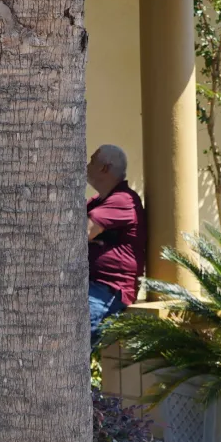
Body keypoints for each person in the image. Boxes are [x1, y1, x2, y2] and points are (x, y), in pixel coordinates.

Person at [86, 144, 147, 346]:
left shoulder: (123, 200)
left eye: (92, 161)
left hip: (106, 291)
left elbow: (79, 233)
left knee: (66, 350)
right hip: (88, 287)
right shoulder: (98, 201)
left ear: (105, 168)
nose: (86, 166)